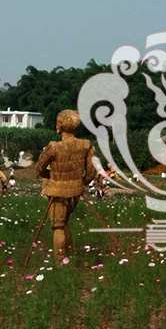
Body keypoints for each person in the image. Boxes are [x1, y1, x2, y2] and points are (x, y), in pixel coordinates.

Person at [35, 110, 96, 262]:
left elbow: (39, 168)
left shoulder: (54, 147)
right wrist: (81, 182)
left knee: (57, 226)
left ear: (59, 127)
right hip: (76, 191)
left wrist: (51, 176)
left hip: (57, 192)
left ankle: (59, 261)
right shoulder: (86, 145)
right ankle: (70, 253)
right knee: (64, 222)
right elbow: (91, 172)